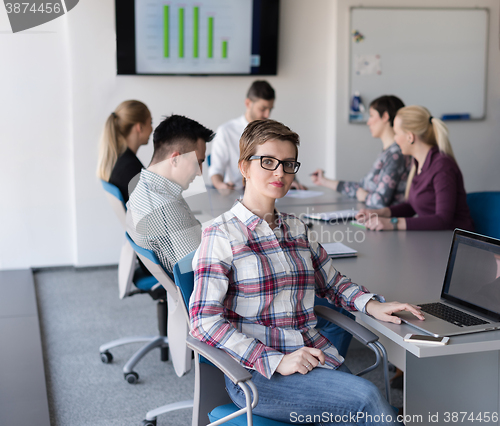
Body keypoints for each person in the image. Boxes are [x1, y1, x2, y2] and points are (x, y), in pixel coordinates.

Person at [189, 119, 424, 424]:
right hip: (260, 375)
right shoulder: (221, 235)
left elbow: (331, 283)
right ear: (244, 167)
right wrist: (276, 360)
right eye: (269, 162)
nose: (280, 173)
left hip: (313, 356)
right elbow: (203, 321)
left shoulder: (296, 227)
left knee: (365, 407)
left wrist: (372, 304)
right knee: (367, 400)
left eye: (288, 164)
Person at [356, 105, 474, 232]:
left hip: (454, 243)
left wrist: (392, 223)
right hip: (434, 239)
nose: (394, 139)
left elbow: (443, 219)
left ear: (410, 137)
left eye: (396, 133)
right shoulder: (418, 163)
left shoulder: (442, 166)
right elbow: (412, 206)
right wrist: (380, 213)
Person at [126, 115, 215, 273]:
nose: (200, 173)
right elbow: (203, 271)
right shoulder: (166, 209)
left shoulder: (142, 187)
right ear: (175, 159)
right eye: (198, 162)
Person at [311, 95, 411, 208]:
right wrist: (323, 181)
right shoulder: (388, 153)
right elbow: (362, 188)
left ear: (385, 117)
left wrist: (365, 196)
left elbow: (379, 200)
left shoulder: (395, 154)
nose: (368, 122)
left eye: (371, 116)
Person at [209, 80, 306, 191]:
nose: (267, 114)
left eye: (270, 109)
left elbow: (283, 163)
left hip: (270, 190)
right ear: (248, 103)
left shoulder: (273, 132)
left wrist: (292, 183)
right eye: (263, 109)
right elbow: (216, 170)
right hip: (236, 192)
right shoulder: (226, 131)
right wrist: (221, 186)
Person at [97, 100, 153, 203]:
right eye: (150, 123)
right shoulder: (130, 169)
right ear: (139, 127)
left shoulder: (119, 162)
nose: (152, 129)